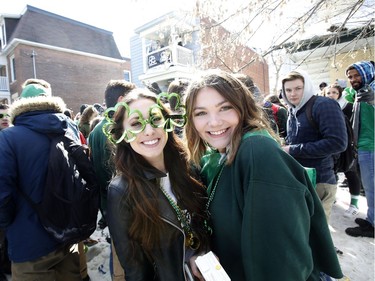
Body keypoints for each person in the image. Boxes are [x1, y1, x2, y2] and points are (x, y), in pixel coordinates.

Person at [183, 69, 343, 280]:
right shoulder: (216, 155)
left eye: (225, 108)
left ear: (243, 107)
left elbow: (283, 260)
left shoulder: (257, 152)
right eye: (200, 112)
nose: (214, 122)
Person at [104, 88, 210, 280]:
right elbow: (135, 269)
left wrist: (201, 253)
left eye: (155, 120)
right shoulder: (121, 191)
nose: (149, 131)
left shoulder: (189, 168)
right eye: (136, 124)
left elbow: (202, 224)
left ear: (167, 122)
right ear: (122, 134)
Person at [0, 82, 82, 280]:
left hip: (30, 245)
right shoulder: (70, 129)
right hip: (69, 236)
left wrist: (8, 227)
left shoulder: (8, 138)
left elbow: (3, 195)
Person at [281, 70, 347, 222]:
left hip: (320, 181)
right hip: (300, 179)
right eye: (288, 90)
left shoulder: (324, 105)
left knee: (318, 233)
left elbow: (337, 142)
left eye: (298, 88)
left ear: (307, 86)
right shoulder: (293, 110)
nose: (293, 94)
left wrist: (292, 149)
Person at [88, 79, 136, 281]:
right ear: (122, 99)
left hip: (108, 204)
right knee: (127, 263)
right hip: (129, 207)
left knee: (118, 258)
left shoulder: (95, 130)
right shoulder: (121, 127)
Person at [344, 60, 374, 238]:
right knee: (370, 187)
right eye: (350, 77)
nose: (353, 79)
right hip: (363, 145)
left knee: (372, 188)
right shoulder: (359, 93)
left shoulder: (371, 91)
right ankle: (371, 219)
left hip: (371, 146)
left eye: (357, 75)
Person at [323, 84, 362, 217]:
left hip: (347, 145)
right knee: (332, 172)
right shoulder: (322, 108)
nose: (331, 95)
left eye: (334, 92)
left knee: (350, 172)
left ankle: (354, 203)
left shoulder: (348, 107)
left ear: (339, 94)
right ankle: (332, 197)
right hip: (331, 147)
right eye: (328, 93)